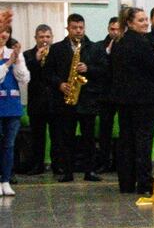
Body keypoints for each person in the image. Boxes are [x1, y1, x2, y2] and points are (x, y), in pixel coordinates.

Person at [110, 6, 154, 194]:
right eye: (141, 20)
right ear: (129, 23)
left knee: (126, 141)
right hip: (143, 101)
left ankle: (127, 183)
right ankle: (145, 183)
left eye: (146, 19)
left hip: (124, 100)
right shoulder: (141, 42)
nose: (146, 23)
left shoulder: (119, 42)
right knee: (143, 142)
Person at [45, 14, 107, 183]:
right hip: (65, 101)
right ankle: (68, 172)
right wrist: (60, 84)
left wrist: (88, 68)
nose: (78, 31)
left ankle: (90, 171)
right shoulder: (57, 49)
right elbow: (48, 73)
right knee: (66, 138)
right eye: (74, 27)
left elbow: (105, 70)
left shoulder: (95, 48)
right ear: (68, 28)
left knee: (89, 138)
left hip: (88, 99)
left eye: (81, 27)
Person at [24, 25, 56, 175]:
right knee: (37, 136)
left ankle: (58, 165)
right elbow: (25, 76)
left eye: (47, 37)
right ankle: (37, 165)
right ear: (36, 38)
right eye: (41, 37)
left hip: (55, 101)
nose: (45, 40)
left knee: (58, 137)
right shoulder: (27, 55)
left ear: (52, 38)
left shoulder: (57, 53)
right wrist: (36, 59)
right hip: (36, 102)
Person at [0, 24, 28, 195]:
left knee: (9, 145)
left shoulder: (15, 53)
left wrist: (17, 62)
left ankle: (6, 180)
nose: (4, 34)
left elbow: (25, 78)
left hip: (12, 105)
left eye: (7, 31)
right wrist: (8, 63)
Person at [95, 17, 122, 173]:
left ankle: (120, 163)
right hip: (105, 94)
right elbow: (97, 68)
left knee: (125, 129)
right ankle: (104, 162)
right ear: (108, 29)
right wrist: (107, 53)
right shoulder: (99, 47)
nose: (115, 32)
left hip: (123, 93)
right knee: (105, 130)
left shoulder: (127, 46)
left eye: (118, 29)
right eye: (112, 29)